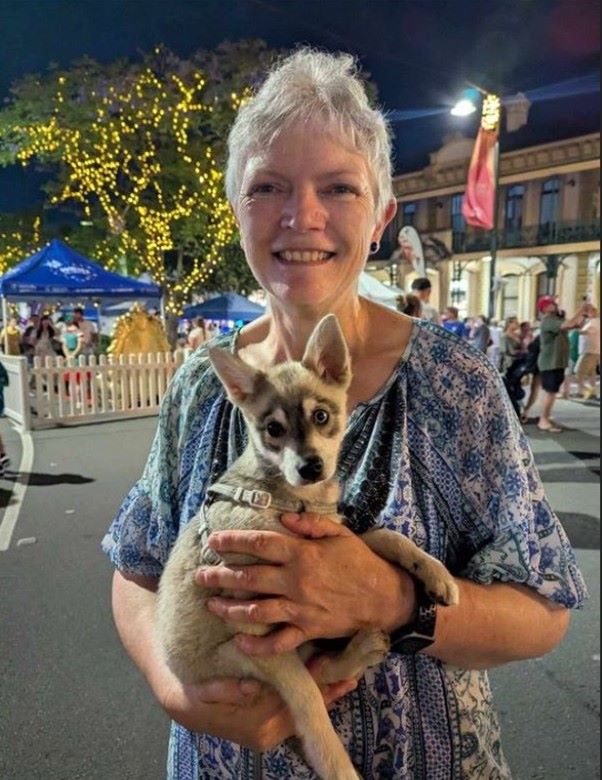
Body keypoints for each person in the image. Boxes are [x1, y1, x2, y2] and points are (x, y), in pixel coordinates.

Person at [102, 49, 586, 779]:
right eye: (268, 186)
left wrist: (396, 600)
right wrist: (177, 689)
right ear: (238, 211)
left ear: (383, 216)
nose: (303, 215)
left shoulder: (457, 385)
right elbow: (138, 570)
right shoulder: (204, 384)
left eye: (339, 186)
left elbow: (544, 609)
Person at [536, 295, 589, 432]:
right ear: (544, 308)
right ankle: (543, 420)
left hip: (557, 362)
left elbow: (576, 325)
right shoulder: (548, 321)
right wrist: (580, 309)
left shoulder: (555, 319)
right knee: (550, 392)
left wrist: (583, 314)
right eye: (550, 303)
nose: (553, 304)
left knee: (551, 392)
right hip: (550, 362)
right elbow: (569, 324)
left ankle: (545, 417)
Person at [575, 304, 600, 400]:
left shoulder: (593, 322)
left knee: (578, 372)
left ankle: (584, 390)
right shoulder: (593, 321)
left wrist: (576, 325)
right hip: (593, 351)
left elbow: (582, 331)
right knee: (591, 373)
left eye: (587, 311)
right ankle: (592, 392)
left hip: (589, 351)